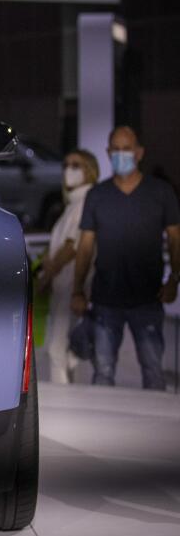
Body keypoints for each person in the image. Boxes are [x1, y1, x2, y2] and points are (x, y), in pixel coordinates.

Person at [71, 126, 180, 390]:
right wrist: (78, 290)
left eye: (127, 149)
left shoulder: (161, 192)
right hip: (106, 300)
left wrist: (174, 280)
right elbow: (85, 246)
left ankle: (157, 429)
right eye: (116, 150)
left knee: (153, 372)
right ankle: (101, 430)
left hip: (148, 298)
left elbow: (175, 238)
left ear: (139, 152)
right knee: (103, 373)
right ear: (108, 153)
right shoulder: (98, 195)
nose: (121, 155)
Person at [37, 149, 99, 383]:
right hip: (64, 285)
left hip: (72, 284)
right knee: (62, 346)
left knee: (57, 348)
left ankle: (63, 397)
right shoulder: (74, 204)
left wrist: (47, 276)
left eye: (76, 165)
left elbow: (72, 246)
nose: (69, 170)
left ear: (90, 170)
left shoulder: (85, 201)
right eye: (66, 165)